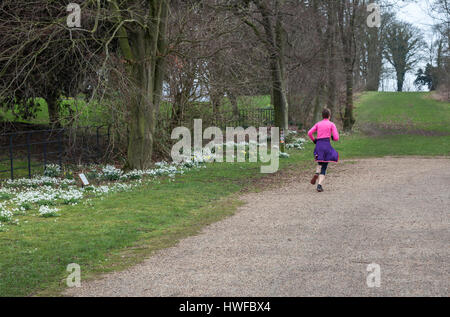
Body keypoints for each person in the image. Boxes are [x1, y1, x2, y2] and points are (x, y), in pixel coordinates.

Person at [307, 108, 339, 192]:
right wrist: (331, 137)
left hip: (319, 145)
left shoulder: (318, 124)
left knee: (319, 161)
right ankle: (319, 185)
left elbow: (309, 132)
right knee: (324, 166)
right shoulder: (331, 124)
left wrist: (314, 140)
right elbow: (336, 138)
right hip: (326, 144)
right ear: (329, 116)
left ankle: (317, 172)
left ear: (322, 116)